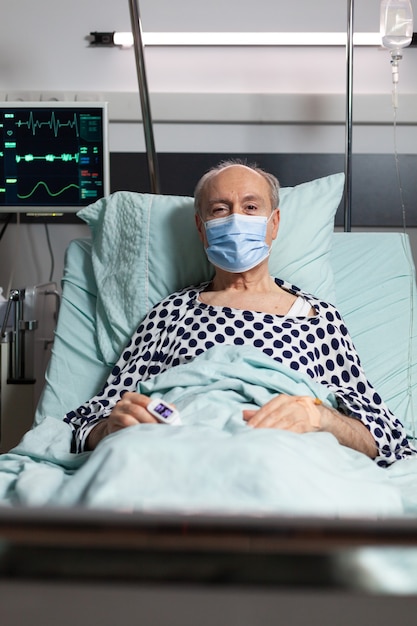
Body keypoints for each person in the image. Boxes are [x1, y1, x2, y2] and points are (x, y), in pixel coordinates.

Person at [64, 159, 416, 467]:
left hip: (283, 454)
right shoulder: (171, 313)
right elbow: (90, 420)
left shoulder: (316, 317)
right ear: (202, 229)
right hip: (175, 452)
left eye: (250, 207)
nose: (235, 219)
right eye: (219, 209)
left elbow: (383, 438)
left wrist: (320, 416)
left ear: (274, 224)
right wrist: (110, 428)